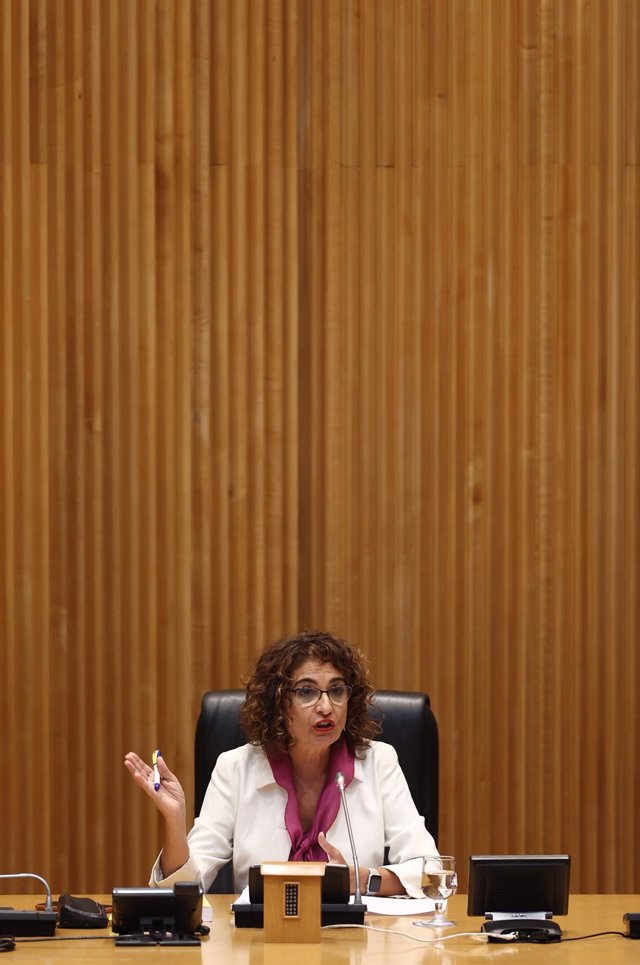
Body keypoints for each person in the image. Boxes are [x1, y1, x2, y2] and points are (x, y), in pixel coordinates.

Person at [124, 630, 437, 897]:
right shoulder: (235, 768)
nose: (326, 706)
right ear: (278, 700)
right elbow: (180, 892)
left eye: (337, 690)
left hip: (354, 941)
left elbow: (432, 872)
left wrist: (363, 879)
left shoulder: (378, 762)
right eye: (307, 692)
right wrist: (175, 823)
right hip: (259, 943)